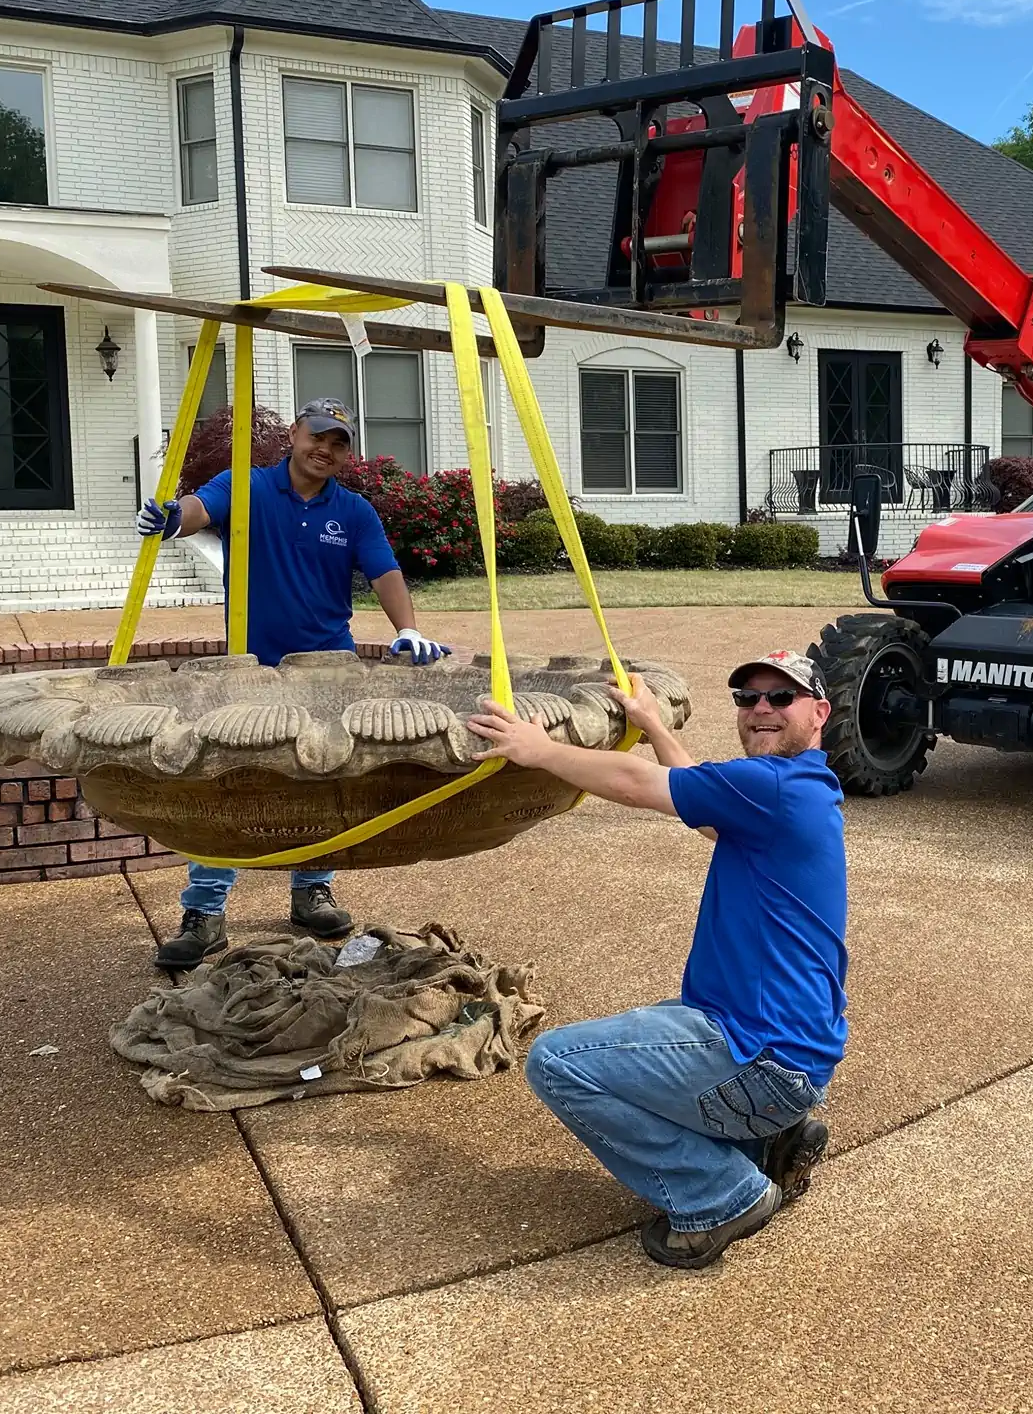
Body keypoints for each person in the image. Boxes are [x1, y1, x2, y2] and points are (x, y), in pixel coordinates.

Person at [466, 648, 847, 1270]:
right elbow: (711, 825)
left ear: (819, 712)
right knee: (652, 1031)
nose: (761, 709)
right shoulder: (801, 790)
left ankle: (720, 1195)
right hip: (794, 1056)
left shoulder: (773, 787)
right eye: (748, 699)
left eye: (781, 698)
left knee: (559, 1062)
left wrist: (538, 750)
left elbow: (637, 783)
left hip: (762, 1059)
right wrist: (658, 727)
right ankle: (768, 1133)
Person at [135, 396, 452, 970]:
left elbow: (384, 572)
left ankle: (313, 890)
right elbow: (200, 510)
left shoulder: (353, 511)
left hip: (327, 664)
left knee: (323, 776)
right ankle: (204, 914)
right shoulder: (248, 486)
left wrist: (408, 630)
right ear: (294, 435)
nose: (325, 449)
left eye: (338, 443)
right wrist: (172, 521)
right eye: (317, 436)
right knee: (225, 780)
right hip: (248, 666)